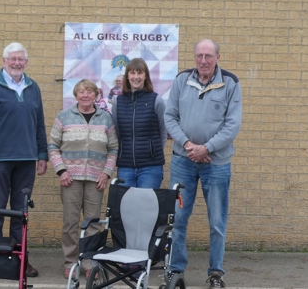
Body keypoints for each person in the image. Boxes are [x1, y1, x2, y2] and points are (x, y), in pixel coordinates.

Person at [164, 39, 242, 289]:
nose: (203, 60)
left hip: (216, 164)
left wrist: (206, 148)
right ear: (194, 57)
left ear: (218, 57)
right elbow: (170, 116)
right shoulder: (181, 80)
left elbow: (232, 125)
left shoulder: (230, 83)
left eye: (209, 55)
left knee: (217, 221)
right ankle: (175, 271)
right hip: (183, 162)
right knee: (177, 219)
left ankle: (216, 274)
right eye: (199, 55)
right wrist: (189, 146)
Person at [0, 42, 47, 277]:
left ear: (26, 62)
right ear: (4, 61)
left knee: (20, 214)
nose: (17, 63)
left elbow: (39, 124)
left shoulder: (33, 87)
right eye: (12, 59)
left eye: (21, 59)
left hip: (27, 160)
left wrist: (42, 154)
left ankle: (20, 262)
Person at [48, 79, 119, 279]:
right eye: (81, 92)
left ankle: (90, 263)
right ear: (76, 95)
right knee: (70, 223)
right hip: (70, 179)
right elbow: (53, 146)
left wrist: (106, 173)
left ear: (96, 95)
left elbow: (113, 149)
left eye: (89, 91)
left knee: (93, 224)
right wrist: (61, 171)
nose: (85, 95)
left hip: (96, 180)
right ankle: (71, 263)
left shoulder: (105, 118)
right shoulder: (64, 117)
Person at [111, 58, 168, 189]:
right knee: (126, 207)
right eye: (132, 73)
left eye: (140, 73)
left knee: (146, 207)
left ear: (145, 76)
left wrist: (154, 152)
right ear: (127, 77)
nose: (136, 77)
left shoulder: (156, 100)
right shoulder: (118, 102)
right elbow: (117, 133)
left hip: (151, 167)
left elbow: (163, 131)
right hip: (125, 167)